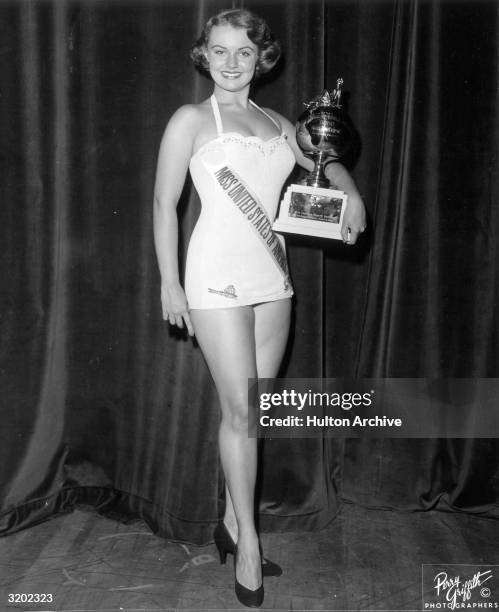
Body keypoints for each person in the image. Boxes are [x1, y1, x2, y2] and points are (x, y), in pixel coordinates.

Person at [153, 8, 366, 607]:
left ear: (261, 58)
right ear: (203, 55)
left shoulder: (279, 124)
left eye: (242, 52)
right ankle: (248, 543)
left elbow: (325, 162)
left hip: (273, 279)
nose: (229, 62)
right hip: (214, 278)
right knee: (241, 415)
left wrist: (352, 198)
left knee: (257, 414)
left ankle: (229, 519)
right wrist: (170, 284)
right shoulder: (191, 120)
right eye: (218, 51)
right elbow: (164, 201)